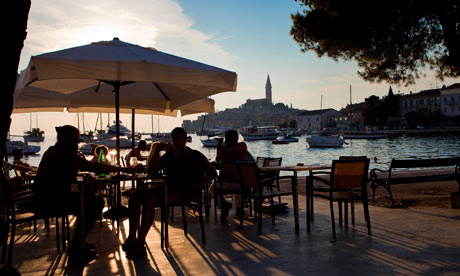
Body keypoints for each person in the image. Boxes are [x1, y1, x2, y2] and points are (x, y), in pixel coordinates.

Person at [34, 125, 137, 262]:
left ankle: (78, 242)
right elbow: (93, 166)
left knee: (89, 200)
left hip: (47, 198)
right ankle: (77, 245)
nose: (77, 143)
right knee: (96, 203)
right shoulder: (63, 153)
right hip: (50, 202)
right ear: (66, 139)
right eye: (75, 140)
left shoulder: (54, 151)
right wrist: (123, 169)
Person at [122, 127, 216, 255]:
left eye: (177, 137)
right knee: (134, 196)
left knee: (149, 200)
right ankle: (132, 237)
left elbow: (212, 172)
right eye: (173, 138)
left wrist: (200, 184)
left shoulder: (195, 155)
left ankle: (141, 240)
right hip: (168, 189)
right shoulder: (170, 155)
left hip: (185, 193)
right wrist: (156, 152)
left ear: (185, 139)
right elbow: (152, 171)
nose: (174, 140)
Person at [215, 129, 250, 222]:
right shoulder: (243, 147)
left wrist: (219, 145)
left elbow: (218, 161)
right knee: (237, 187)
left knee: (213, 189)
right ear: (237, 138)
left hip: (225, 185)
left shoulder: (223, 149)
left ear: (226, 139)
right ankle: (239, 208)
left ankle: (223, 204)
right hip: (242, 185)